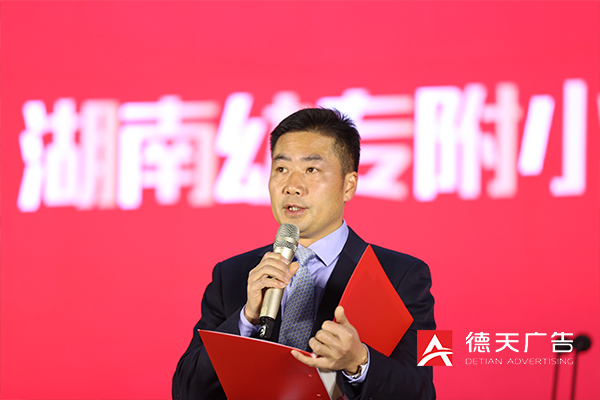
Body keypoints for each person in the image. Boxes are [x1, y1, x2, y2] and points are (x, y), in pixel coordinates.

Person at [172, 108, 436, 399]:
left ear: (348, 185)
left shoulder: (408, 275)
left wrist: (359, 362)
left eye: (311, 170)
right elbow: (185, 389)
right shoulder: (231, 274)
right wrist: (246, 320)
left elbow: (427, 388)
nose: (292, 187)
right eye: (281, 169)